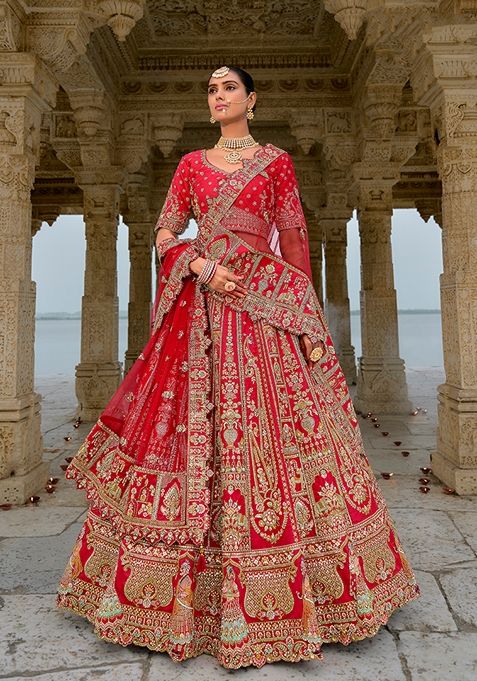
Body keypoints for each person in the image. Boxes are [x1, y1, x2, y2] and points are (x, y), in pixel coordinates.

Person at [57, 65, 419, 669]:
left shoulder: (277, 162)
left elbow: (293, 236)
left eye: (228, 87)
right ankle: (174, 603)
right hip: (203, 309)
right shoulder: (191, 166)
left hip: (264, 305)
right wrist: (201, 268)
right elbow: (166, 232)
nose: (218, 95)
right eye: (211, 89)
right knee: (188, 435)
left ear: (251, 100)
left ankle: (313, 595)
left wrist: (302, 313)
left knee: (282, 434)